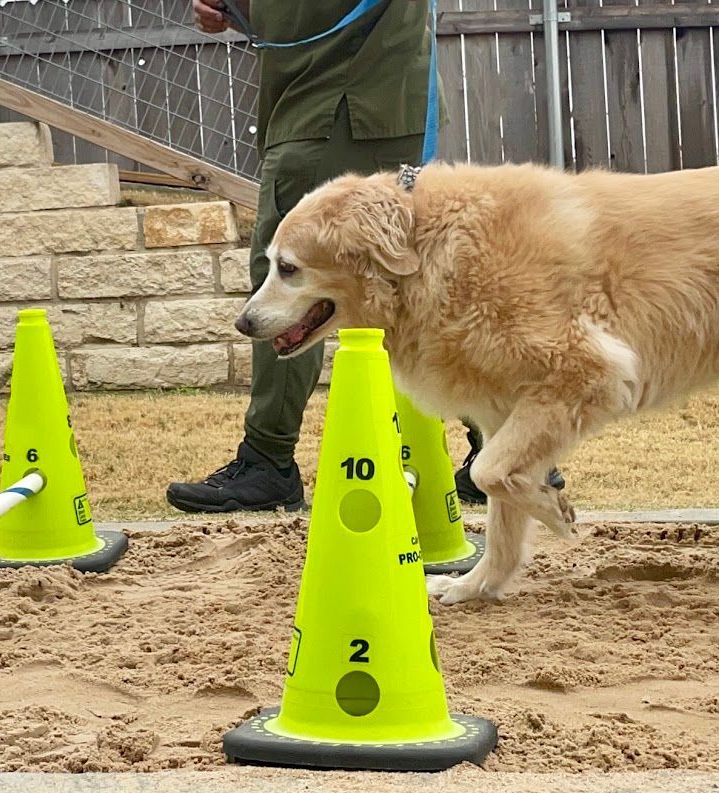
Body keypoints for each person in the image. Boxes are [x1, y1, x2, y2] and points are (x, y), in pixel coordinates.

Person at [168, 0, 560, 512]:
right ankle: (509, 447)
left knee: (293, 278)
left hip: (325, 111)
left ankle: (267, 460)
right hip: (391, 102)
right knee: (434, 284)